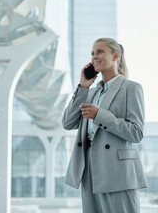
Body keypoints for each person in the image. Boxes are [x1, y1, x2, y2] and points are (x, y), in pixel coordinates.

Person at [62, 38, 147, 213]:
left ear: (116, 56)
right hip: (89, 169)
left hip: (118, 172)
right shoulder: (91, 92)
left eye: (100, 52)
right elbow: (68, 122)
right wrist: (83, 87)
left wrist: (99, 115)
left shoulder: (131, 88)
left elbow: (136, 133)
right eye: (92, 53)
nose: (94, 57)